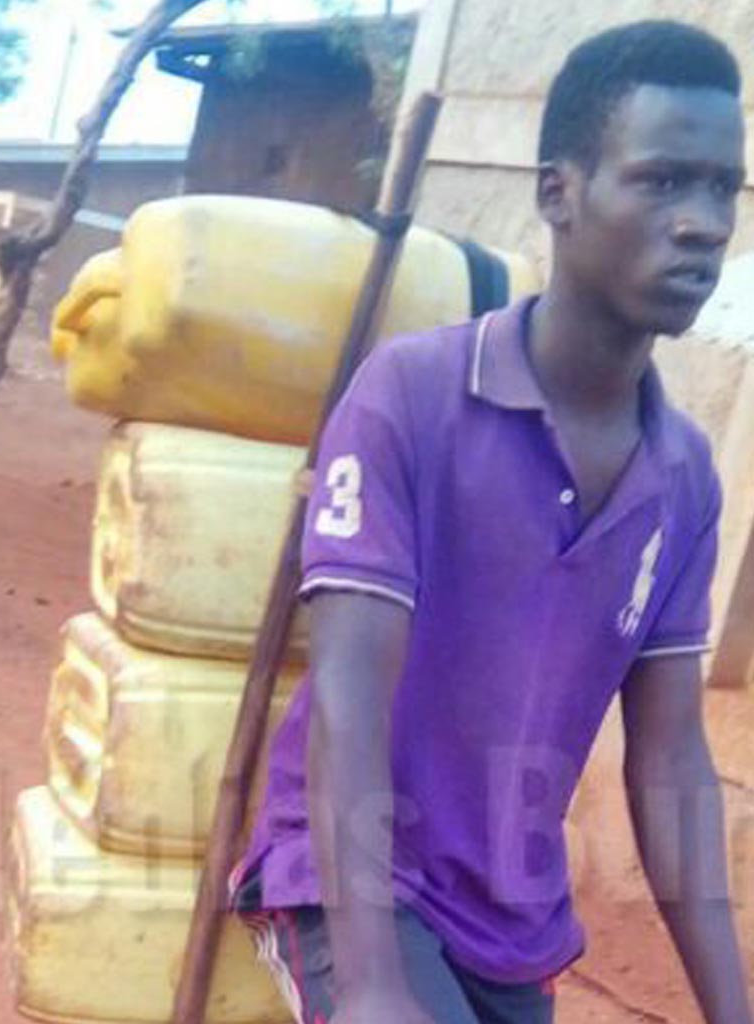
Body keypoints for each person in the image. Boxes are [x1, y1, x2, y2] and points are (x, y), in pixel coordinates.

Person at [231, 19, 751, 1024]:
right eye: (661, 181)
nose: (703, 223)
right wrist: (376, 985)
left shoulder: (685, 475)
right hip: (353, 883)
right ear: (560, 192)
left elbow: (672, 754)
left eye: (721, 188)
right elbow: (348, 687)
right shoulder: (415, 398)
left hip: (513, 915)